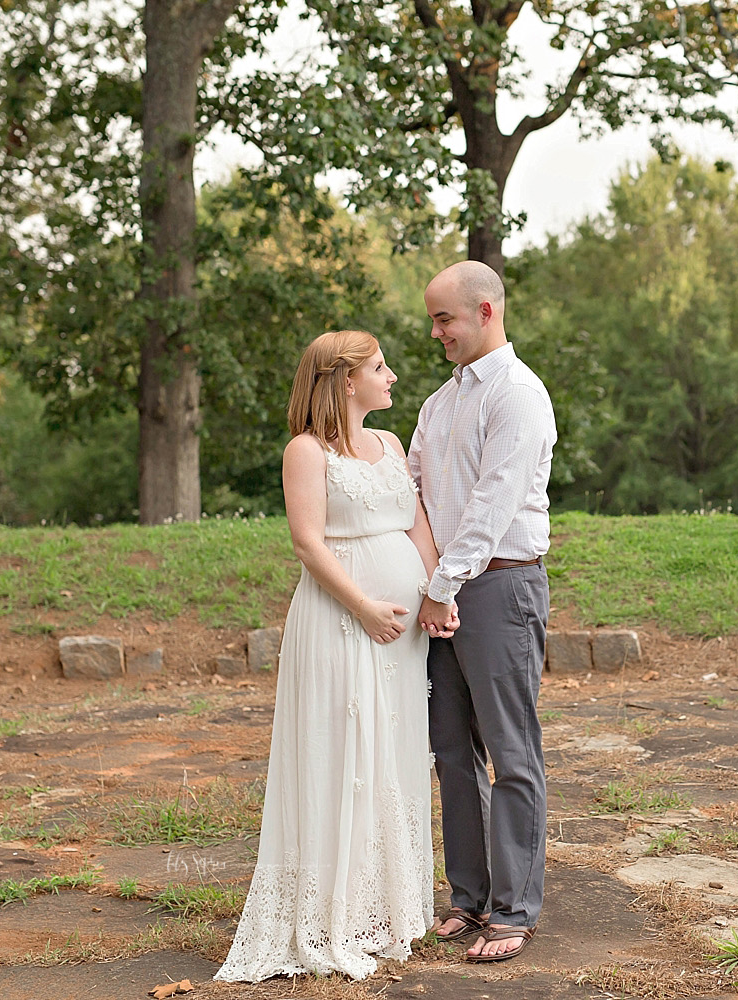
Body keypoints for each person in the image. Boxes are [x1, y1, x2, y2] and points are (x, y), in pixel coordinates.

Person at [216, 330, 454, 982]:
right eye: (380, 367)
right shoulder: (305, 452)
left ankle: (382, 910)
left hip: (401, 638)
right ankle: (329, 915)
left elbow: (417, 524)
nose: (393, 376)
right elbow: (309, 544)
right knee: (342, 750)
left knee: (392, 754)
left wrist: (435, 592)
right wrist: (364, 608)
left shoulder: (391, 445)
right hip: (339, 623)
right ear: (347, 381)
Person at [410, 260, 558, 963]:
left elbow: (493, 504)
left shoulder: (519, 395)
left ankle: (514, 909)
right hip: (442, 593)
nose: (436, 332)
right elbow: (415, 492)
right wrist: (428, 583)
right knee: (451, 754)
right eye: (434, 320)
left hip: (500, 588)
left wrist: (445, 583)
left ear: (486, 312)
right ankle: (467, 897)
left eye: (446, 319)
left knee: (510, 753)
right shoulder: (437, 404)